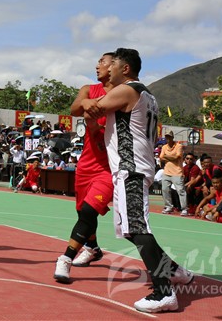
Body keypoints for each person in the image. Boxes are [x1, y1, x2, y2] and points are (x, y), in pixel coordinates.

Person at [83, 48, 192, 313]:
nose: (108, 69)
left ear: (125, 69)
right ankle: (174, 271)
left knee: (138, 229)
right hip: (135, 167)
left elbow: (88, 112)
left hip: (130, 168)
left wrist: (84, 98)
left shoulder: (127, 90)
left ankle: (164, 292)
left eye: (113, 65)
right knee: (132, 230)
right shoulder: (147, 94)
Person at [53, 53, 115, 283]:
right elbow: (75, 108)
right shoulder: (89, 89)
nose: (98, 65)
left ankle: (66, 258)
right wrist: (86, 103)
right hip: (86, 165)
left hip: (109, 168)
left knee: (89, 212)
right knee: (83, 212)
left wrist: (94, 122)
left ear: (115, 66)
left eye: (102, 62)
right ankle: (93, 248)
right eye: (98, 61)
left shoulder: (123, 94)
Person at [159, 132, 189, 216]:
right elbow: (161, 157)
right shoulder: (164, 147)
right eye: (166, 137)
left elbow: (177, 157)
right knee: (165, 189)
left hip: (177, 172)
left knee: (180, 191)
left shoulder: (178, 146)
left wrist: (166, 156)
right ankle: (168, 206)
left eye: (169, 137)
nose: (168, 139)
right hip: (166, 172)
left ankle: (184, 208)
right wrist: (171, 157)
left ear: (172, 137)